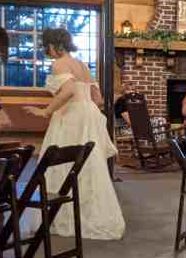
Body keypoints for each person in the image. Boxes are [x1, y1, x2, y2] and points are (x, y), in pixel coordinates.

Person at [24, 28, 124, 241]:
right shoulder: (81, 64)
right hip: (88, 115)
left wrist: (46, 112)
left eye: (47, 46)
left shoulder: (59, 64)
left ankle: (62, 216)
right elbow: (97, 98)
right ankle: (89, 214)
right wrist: (84, 105)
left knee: (61, 163)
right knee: (86, 166)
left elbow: (69, 91)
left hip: (71, 117)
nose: (47, 51)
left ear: (55, 45)